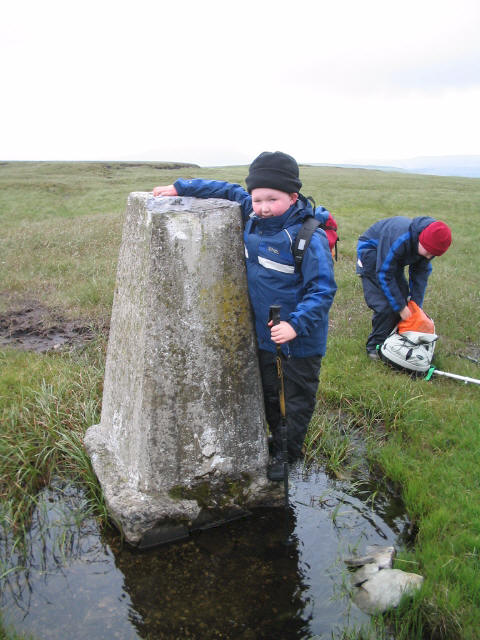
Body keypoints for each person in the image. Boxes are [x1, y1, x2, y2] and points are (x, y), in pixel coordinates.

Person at [153, 151, 337, 481]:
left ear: (293, 197)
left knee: (294, 401)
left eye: (273, 199)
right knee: (270, 394)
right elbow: (224, 189)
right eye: (258, 198)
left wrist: (295, 325)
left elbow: (323, 289)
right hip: (266, 336)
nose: (263, 207)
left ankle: (288, 453)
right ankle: (276, 440)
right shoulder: (251, 212)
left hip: (300, 342)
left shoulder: (308, 237)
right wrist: (181, 187)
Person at [356, 216, 452, 359]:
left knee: (402, 298)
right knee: (386, 305)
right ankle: (375, 347)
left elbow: (420, 276)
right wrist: (400, 307)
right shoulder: (400, 239)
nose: (429, 256)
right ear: (422, 239)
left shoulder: (428, 247)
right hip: (371, 254)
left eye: (433, 255)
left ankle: (395, 339)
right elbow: (384, 272)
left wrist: (415, 307)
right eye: (428, 251)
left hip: (392, 260)